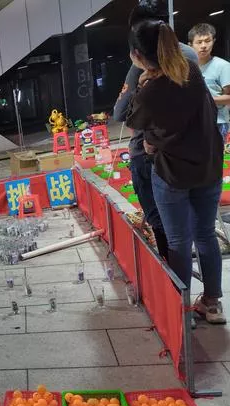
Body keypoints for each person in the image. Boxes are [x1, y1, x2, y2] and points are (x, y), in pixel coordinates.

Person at [126, 19, 225, 324]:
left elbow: (132, 122)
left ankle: (182, 312)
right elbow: (207, 113)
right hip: (208, 167)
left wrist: (152, 141)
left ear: (138, 56)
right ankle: (212, 304)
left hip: (172, 174)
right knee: (205, 234)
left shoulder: (150, 91)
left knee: (178, 241)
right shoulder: (192, 71)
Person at [114, 0, 198, 261]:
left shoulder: (142, 60)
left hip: (150, 154)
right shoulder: (190, 56)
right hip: (189, 151)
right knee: (194, 226)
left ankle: (171, 279)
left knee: (162, 223)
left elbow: (121, 113)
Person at [189, 23, 230, 139]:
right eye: (199, 42)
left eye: (207, 41)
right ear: (190, 45)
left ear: (213, 41)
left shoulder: (223, 66)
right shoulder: (187, 67)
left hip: (217, 122)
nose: (204, 46)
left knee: (215, 152)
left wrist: (205, 100)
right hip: (193, 122)